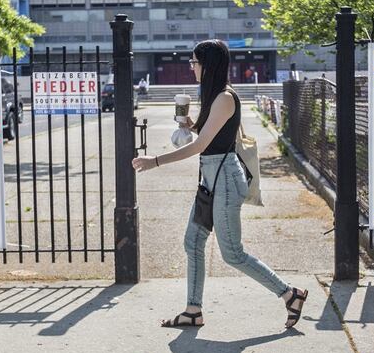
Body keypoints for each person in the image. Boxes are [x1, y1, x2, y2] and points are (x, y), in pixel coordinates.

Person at [132, 39, 309, 329]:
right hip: (213, 179)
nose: (191, 67)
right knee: (193, 242)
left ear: (208, 65)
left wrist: (156, 161)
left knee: (232, 254)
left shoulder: (225, 98)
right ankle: (193, 310)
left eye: (194, 62)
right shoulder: (215, 97)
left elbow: (201, 146)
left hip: (225, 180)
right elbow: (212, 135)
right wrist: (192, 124)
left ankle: (290, 294)